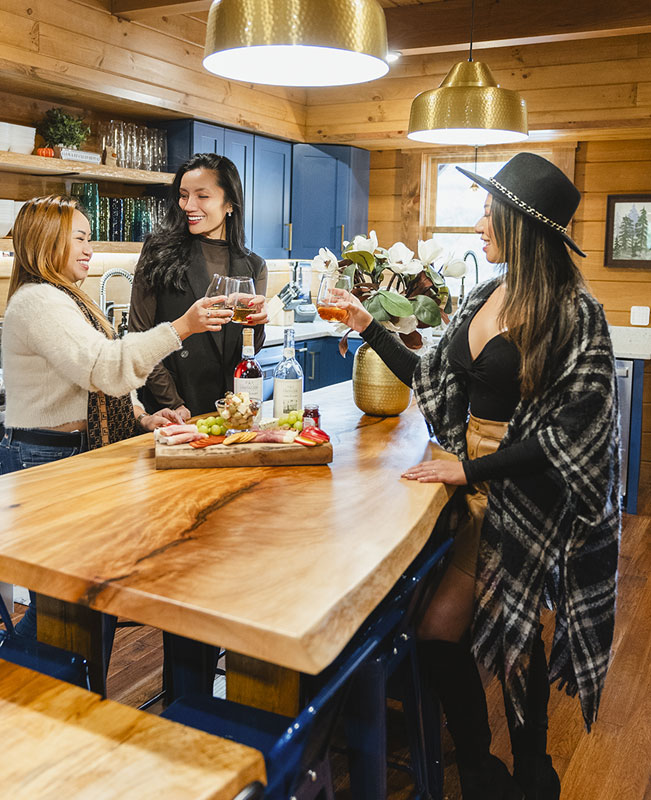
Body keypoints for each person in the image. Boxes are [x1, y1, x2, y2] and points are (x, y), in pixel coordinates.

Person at [337, 153, 620, 800]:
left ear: (522, 225)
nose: (477, 225)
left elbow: (569, 438)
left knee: (514, 635)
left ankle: (531, 771)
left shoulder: (575, 315)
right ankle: (478, 764)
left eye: (488, 215)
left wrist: (465, 468)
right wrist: (369, 328)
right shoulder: (484, 295)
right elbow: (431, 380)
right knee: (444, 631)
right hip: (476, 485)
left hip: (529, 496)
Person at [0, 193, 233, 637]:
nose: (90, 249)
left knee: (86, 607)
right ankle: (3, 695)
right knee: (65, 613)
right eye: (79, 239)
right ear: (47, 241)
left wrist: (142, 418)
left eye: (90, 238)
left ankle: (72, 698)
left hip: (69, 456)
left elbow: (94, 380)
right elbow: (105, 369)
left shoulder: (65, 298)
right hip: (47, 462)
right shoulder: (40, 303)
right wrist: (181, 326)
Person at [129, 153, 268, 421]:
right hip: (171, 409)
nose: (188, 205)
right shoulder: (158, 251)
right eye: (183, 195)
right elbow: (139, 337)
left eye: (202, 196)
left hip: (228, 410)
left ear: (229, 203)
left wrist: (258, 322)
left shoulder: (254, 266)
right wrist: (174, 401)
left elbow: (249, 349)